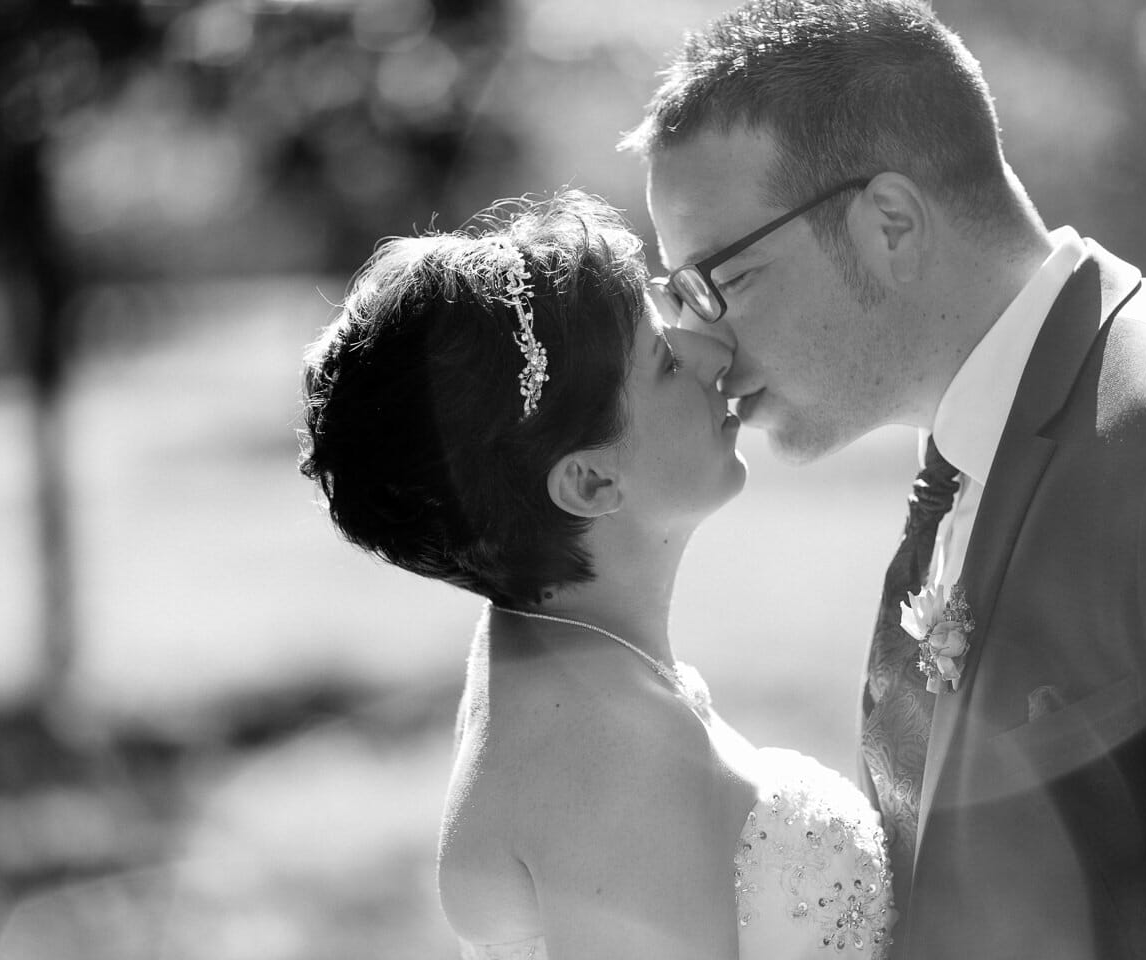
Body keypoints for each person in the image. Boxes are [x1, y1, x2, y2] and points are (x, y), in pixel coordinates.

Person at [622, 1, 1146, 957]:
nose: (705, 343)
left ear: (891, 224)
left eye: (717, 280)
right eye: (678, 296)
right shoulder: (951, 473)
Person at [298, 192, 894, 958]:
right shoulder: (618, 762)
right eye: (667, 361)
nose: (715, 354)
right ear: (589, 482)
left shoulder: (530, 654)